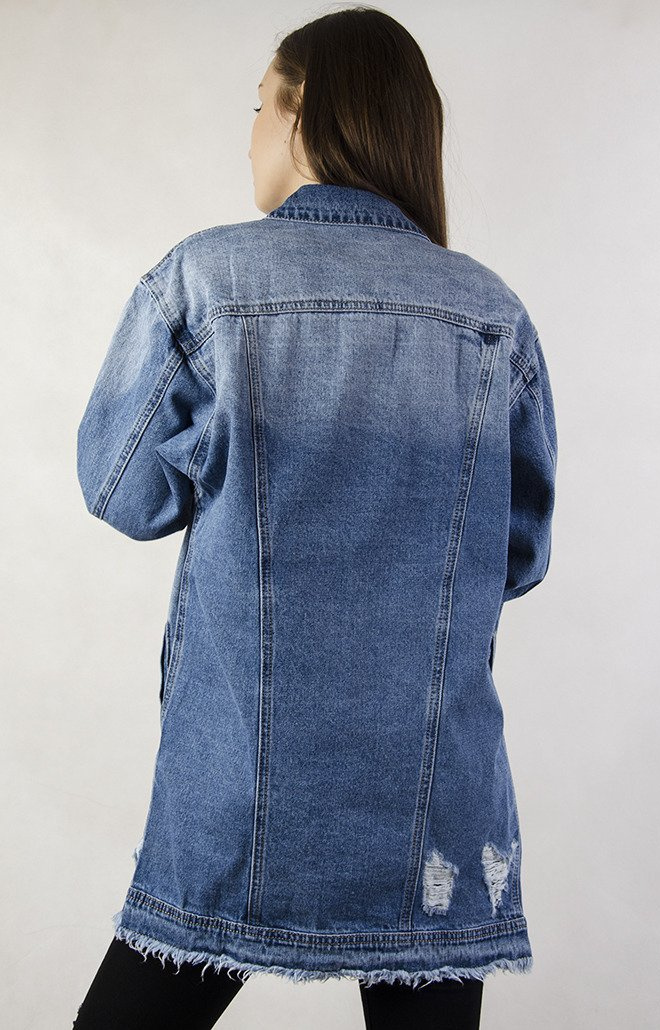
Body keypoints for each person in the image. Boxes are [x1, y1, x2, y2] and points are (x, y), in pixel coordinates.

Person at [73, 5, 557, 1028]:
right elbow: (516, 555)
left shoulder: (205, 281)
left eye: (260, 105)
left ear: (303, 113)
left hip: (242, 798)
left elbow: (123, 491)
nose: (251, 131)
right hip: (431, 812)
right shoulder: (492, 316)